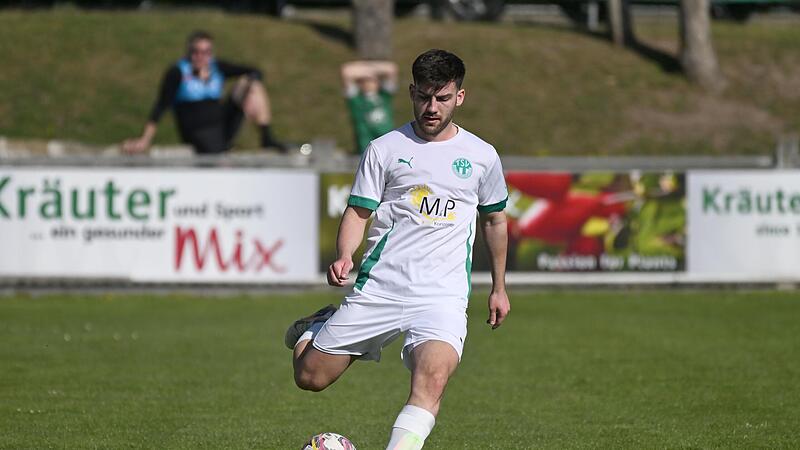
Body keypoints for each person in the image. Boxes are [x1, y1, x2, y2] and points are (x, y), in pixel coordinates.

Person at [286, 49, 511, 450]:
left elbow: (494, 220)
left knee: (433, 380)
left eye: (442, 98)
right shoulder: (385, 148)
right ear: (411, 92)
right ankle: (315, 328)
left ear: (460, 97)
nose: (431, 107)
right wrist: (344, 255)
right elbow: (358, 211)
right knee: (311, 378)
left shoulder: (482, 156)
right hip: (382, 286)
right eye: (424, 96)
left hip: (441, 295)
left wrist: (499, 286)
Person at [123, 30, 287, 155]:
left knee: (251, 85)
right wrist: (145, 139)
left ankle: (266, 137)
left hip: (220, 124)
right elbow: (161, 105)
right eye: (196, 52)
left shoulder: (217, 68)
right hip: (197, 129)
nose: (201, 56)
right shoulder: (178, 72)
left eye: (206, 52)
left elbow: (255, 71)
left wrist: (251, 90)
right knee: (217, 153)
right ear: (189, 52)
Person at [340, 60, 398, 154]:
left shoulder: (384, 96)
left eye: (372, 80)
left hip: (387, 141)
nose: (368, 83)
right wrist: (368, 70)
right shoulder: (356, 99)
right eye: (363, 81)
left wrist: (369, 69)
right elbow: (346, 71)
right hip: (366, 144)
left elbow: (391, 68)